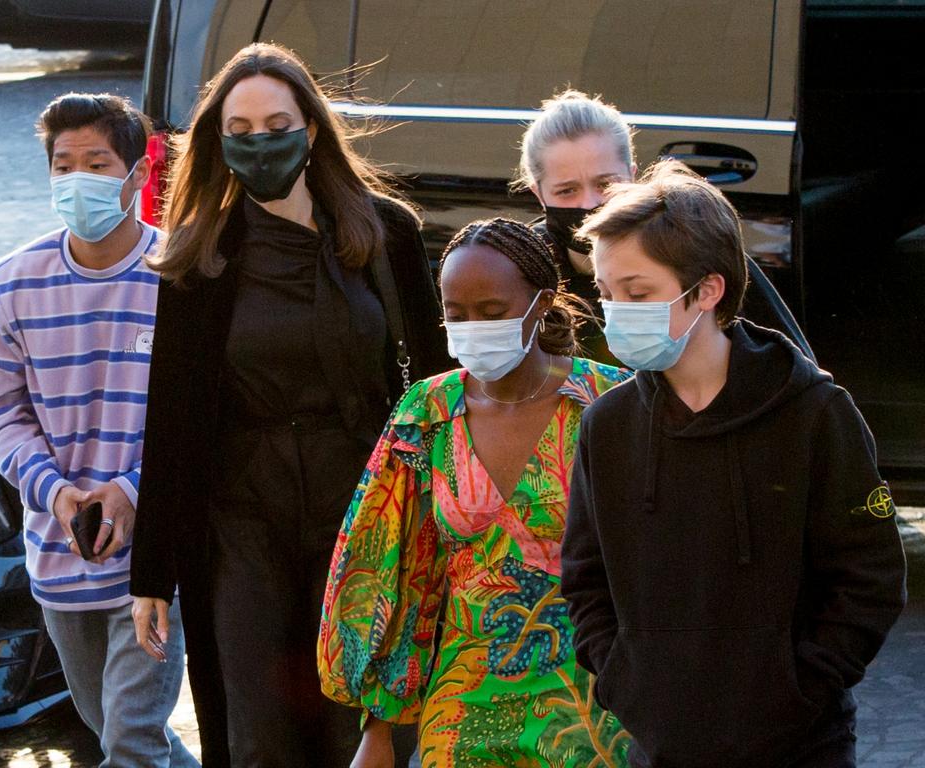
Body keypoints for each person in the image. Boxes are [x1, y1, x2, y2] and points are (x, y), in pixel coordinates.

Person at [129, 42, 449, 767]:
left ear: (310, 130)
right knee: (259, 727)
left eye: (276, 123)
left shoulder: (385, 232)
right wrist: (151, 574)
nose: (258, 141)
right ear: (218, 141)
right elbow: (172, 420)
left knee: (363, 722)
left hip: (366, 503)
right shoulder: (201, 254)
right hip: (243, 515)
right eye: (238, 130)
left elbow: (436, 381)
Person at [561, 160, 907, 768]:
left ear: (709, 289)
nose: (616, 313)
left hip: (800, 747)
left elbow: (869, 578)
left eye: (638, 294)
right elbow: (585, 578)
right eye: (607, 293)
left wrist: (799, 690)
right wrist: (623, 682)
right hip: (658, 746)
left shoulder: (814, 413)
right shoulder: (607, 424)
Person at [320, 218, 632, 768]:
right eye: (455, 315)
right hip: (463, 707)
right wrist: (379, 728)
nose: (471, 328)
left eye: (491, 313)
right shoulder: (427, 414)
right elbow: (391, 568)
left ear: (542, 303)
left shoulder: (608, 404)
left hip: (595, 707)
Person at [0, 93, 198, 768]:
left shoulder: (182, 276)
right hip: (61, 557)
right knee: (122, 737)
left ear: (135, 174)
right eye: (62, 166)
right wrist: (53, 491)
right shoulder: (12, 285)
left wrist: (134, 489)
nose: (77, 180)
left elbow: (201, 418)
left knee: (129, 744)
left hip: (154, 563)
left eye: (95, 163)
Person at [513, 88, 815, 365]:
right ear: (538, 194)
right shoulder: (520, 268)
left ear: (632, 175)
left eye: (605, 183)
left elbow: (791, 365)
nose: (589, 203)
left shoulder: (691, 246)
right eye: (567, 191)